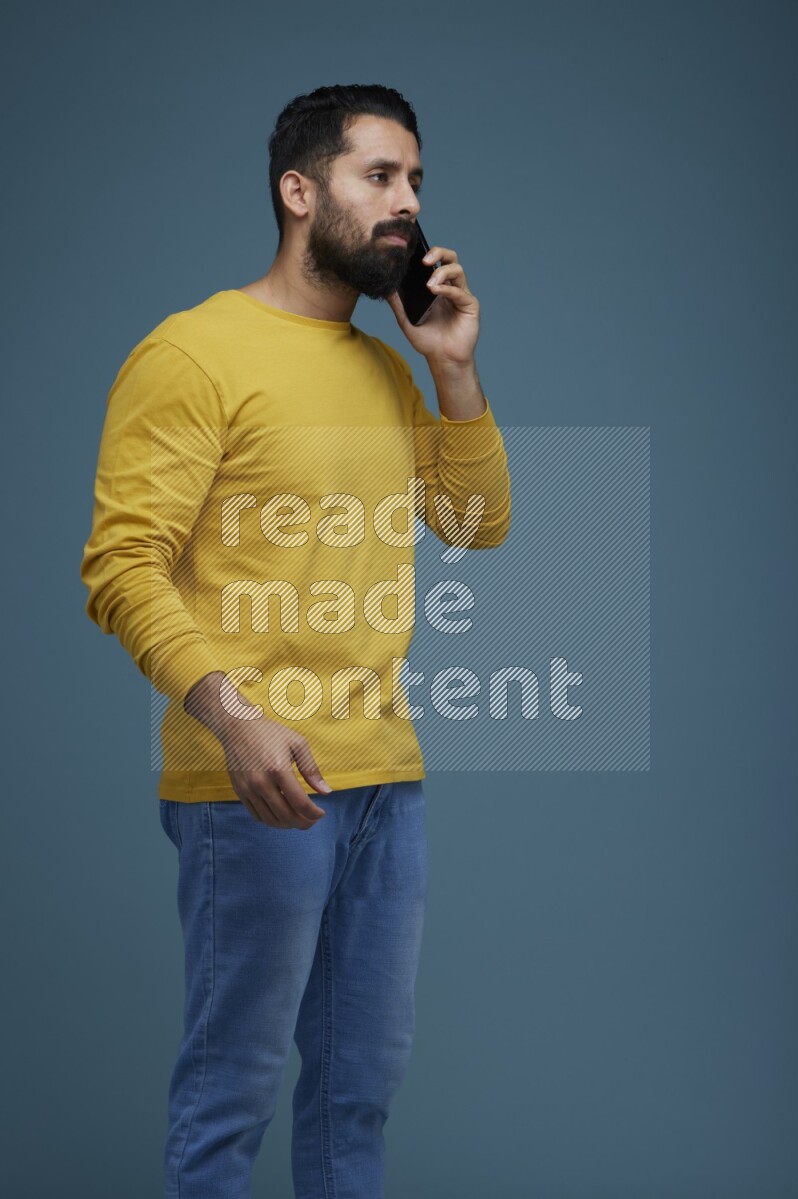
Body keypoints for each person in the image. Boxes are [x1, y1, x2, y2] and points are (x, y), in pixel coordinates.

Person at [80, 82, 511, 1199]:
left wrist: (451, 369)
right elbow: (121, 565)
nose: (406, 205)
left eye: (414, 180)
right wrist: (231, 715)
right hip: (254, 781)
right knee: (233, 1086)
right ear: (297, 189)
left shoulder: (380, 366)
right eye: (380, 177)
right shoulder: (192, 353)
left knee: (357, 1089)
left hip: (385, 780)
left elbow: (475, 524)